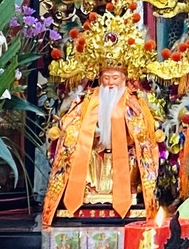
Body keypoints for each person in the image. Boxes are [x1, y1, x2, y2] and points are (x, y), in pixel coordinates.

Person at [43, 52, 161, 224]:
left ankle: (126, 193)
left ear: (124, 78)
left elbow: (142, 132)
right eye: (106, 78)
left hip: (125, 153)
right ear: (100, 78)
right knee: (82, 154)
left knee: (134, 157)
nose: (110, 82)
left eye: (115, 78)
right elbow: (71, 124)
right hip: (94, 150)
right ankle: (87, 191)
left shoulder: (133, 101)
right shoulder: (88, 99)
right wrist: (88, 132)